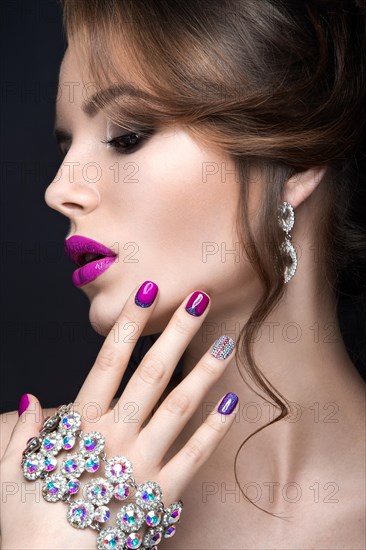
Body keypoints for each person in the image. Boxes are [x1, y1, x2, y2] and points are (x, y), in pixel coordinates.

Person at [1, 1, 365, 548]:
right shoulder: (13, 474)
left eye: (127, 135)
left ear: (290, 164)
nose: (59, 191)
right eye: (65, 145)